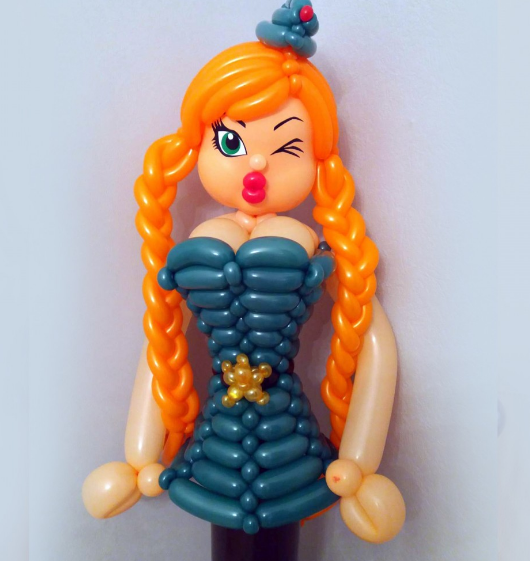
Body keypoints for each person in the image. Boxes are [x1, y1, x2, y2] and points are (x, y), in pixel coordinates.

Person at [83, 0, 405, 546]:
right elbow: (162, 341)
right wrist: (139, 451)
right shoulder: (199, 247)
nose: (258, 164)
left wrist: (360, 458)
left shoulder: (314, 247)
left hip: (286, 436)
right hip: (220, 437)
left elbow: (371, 338)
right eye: (232, 142)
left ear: (317, 159)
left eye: (287, 147)